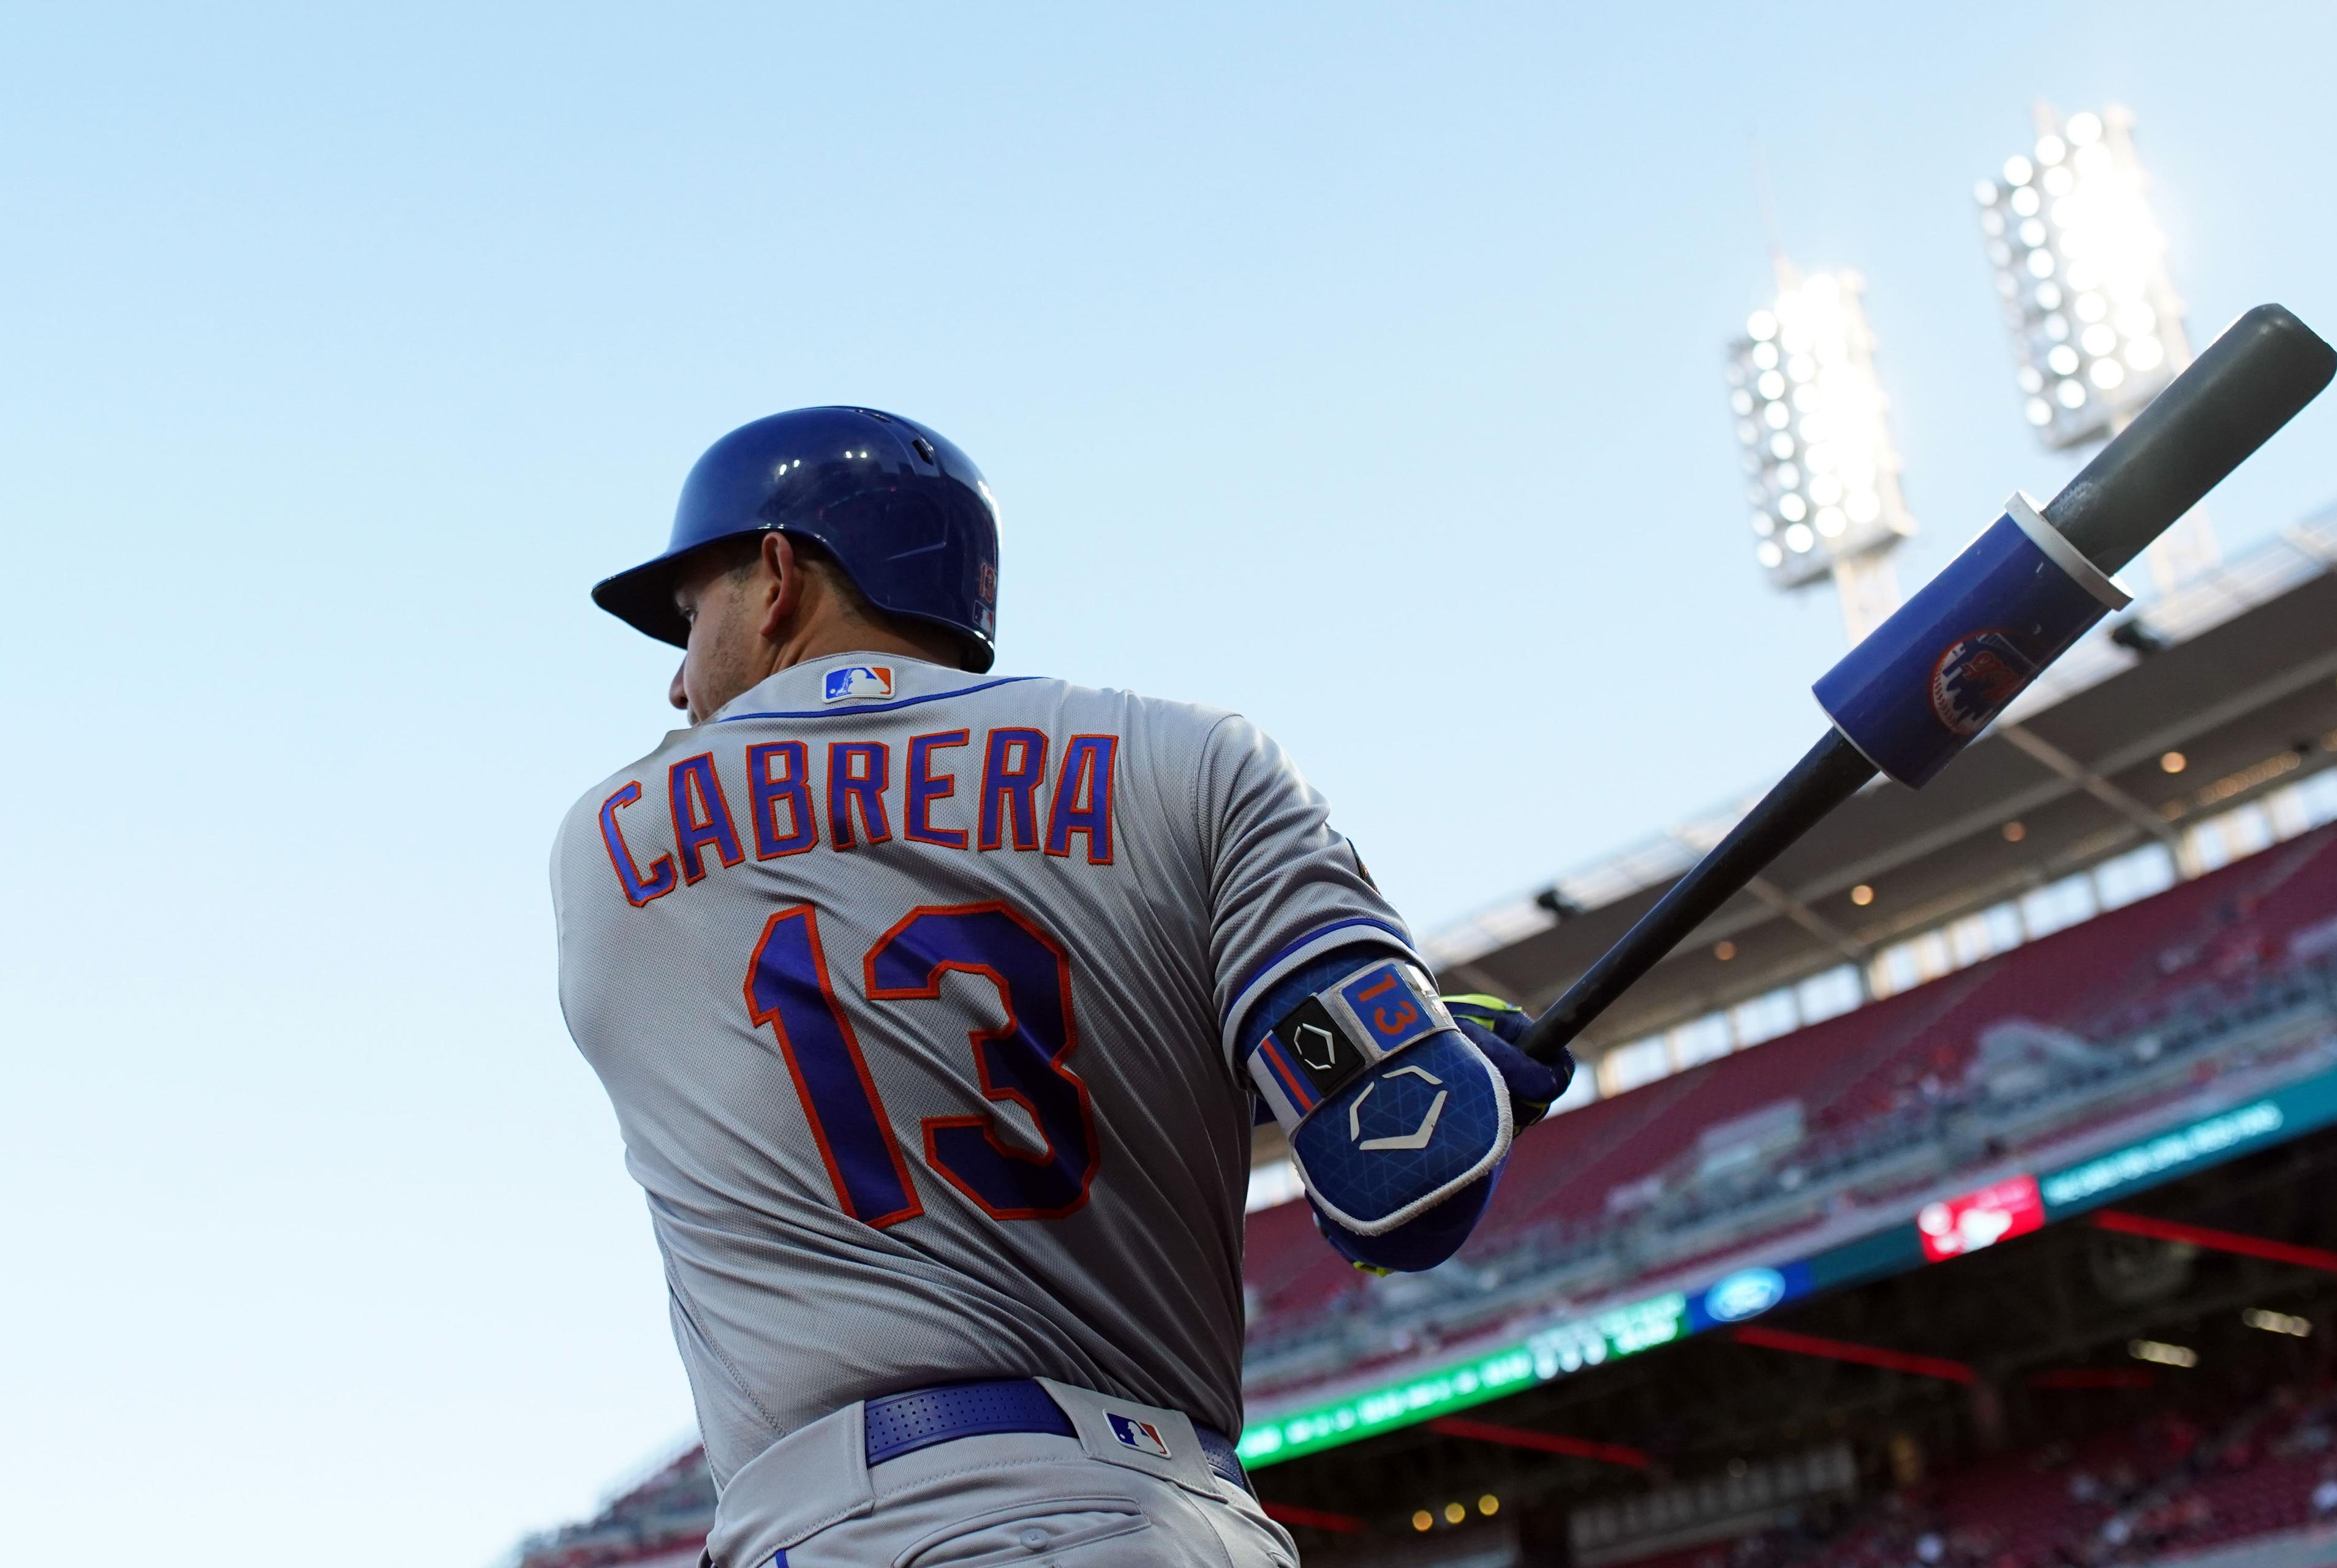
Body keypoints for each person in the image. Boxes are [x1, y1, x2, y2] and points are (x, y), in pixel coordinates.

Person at [551, 407, 1572, 1568]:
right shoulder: (1198, 762)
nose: (681, 685)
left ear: (779, 576)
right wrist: (1443, 1069)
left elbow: (894, 1052)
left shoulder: (608, 846)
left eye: (692, 618)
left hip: (828, 1533)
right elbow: (1406, 1169)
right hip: (1158, 1520)